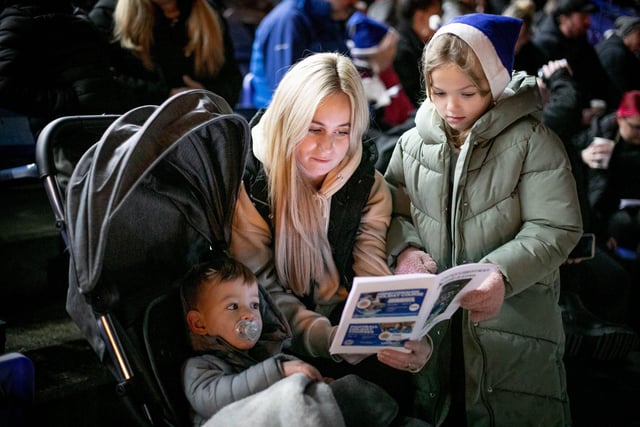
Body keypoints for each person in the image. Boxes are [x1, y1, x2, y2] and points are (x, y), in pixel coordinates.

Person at [384, 13, 582, 426]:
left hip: (512, 325)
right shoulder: (410, 145)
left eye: (468, 93)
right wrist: (406, 250)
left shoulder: (532, 144)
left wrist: (502, 273)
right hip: (436, 335)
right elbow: (394, 212)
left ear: (493, 85)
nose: (451, 107)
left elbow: (555, 227)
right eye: (438, 92)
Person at [230, 52, 433, 417]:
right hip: (275, 338)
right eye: (314, 128)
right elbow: (263, 293)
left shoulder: (364, 181)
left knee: (395, 382)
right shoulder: (250, 183)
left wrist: (398, 336)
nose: (328, 148)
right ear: (288, 120)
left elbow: (372, 276)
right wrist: (331, 340)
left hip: (342, 325)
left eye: (343, 132)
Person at [180, 254, 400, 427]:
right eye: (233, 306)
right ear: (199, 324)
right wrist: (280, 372)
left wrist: (313, 386)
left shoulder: (263, 355)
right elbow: (216, 401)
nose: (249, 315)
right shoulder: (199, 366)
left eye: (255, 305)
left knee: (345, 389)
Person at [0, 0, 137, 143]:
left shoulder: (75, 13)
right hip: (65, 137)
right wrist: (69, 101)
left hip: (104, 125)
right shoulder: (18, 19)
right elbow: (3, 85)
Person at [104, 0, 242, 107]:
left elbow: (231, 79)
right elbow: (101, 82)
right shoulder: (107, 14)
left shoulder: (210, 12)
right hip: (133, 128)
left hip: (199, 126)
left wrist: (206, 94)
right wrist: (165, 96)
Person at [248, 0, 359, 108]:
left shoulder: (324, 18)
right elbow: (283, 88)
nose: (355, 2)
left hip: (328, 111)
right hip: (291, 117)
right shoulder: (289, 19)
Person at [531, 0, 620, 121]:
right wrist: (579, 115)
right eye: (582, 16)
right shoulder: (543, 46)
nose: (588, 21)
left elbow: (598, 74)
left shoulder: (578, 37)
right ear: (564, 19)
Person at [345, 10, 415, 130]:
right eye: (390, 48)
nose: (394, 52)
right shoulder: (363, 84)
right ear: (380, 51)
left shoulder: (385, 71)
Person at [393, 0, 443, 109]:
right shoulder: (403, 51)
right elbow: (416, 97)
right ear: (420, 17)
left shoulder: (416, 43)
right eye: (437, 15)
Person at [595, 15, 640, 97]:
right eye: (639, 35)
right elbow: (619, 90)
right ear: (630, 33)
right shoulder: (614, 52)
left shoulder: (622, 50)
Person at [502, 0, 548, 76]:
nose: (510, 43)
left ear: (527, 37)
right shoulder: (492, 51)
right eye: (507, 35)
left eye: (517, 38)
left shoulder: (535, 56)